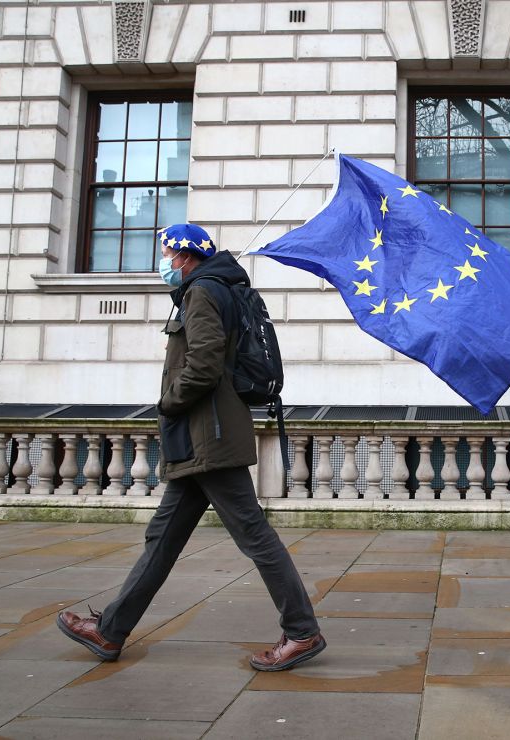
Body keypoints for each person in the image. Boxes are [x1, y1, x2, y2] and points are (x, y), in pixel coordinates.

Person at [57, 223, 325, 672]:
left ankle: (302, 632)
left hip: (208, 436)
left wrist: (168, 401)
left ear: (185, 256)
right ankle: (110, 631)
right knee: (162, 539)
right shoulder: (216, 288)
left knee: (255, 537)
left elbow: (203, 362)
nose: (163, 261)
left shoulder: (202, 291)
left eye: (166, 253)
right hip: (202, 437)